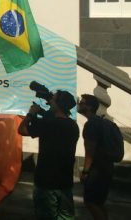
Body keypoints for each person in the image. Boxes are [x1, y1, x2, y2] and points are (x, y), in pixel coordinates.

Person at [17, 90, 79, 220]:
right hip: (65, 182)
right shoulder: (73, 125)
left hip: (46, 182)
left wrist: (31, 114)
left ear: (58, 104)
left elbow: (22, 130)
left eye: (53, 99)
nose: (50, 101)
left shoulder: (48, 124)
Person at [77, 94, 113, 220]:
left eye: (82, 103)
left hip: (97, 170)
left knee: (91, 202)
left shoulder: (91, 125)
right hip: (107, 167)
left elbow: (90, 153)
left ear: (89, 107)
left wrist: (85, 172)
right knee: (99, 203)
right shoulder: (100, 122)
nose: (79, 104)